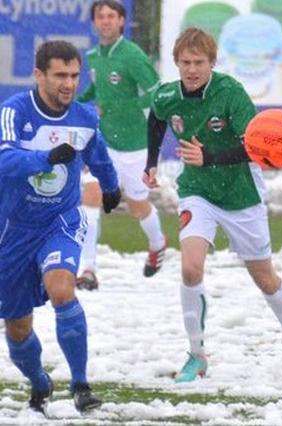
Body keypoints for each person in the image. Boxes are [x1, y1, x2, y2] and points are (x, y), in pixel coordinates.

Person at [143, 27, 282, 385]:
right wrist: (151, 162)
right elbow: (156, 118)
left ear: (212, 63)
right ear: (176, 62)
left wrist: (209, 156)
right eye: (186, 63)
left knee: (265, 279)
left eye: (200, 62)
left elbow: (254, 148)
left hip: (241, 196)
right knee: (191, 269)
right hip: (197, 191)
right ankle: (197, 355)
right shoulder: (166, 94)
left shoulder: (231, 93)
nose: (192, 70)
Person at [0, 40, 121, 415]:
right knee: (17, 327)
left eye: (74, 75)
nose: (68, 83)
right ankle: (39, 381)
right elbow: (3, 158)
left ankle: (80, 384)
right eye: (59, 76)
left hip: (62, 220)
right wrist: (45, 158)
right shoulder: (14, 112)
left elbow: (97, 154)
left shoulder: (84, 118)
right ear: (39, 75)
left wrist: (111, 185)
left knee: (62, 289)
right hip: (13, 229)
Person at [76, 0, 167, 290]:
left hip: (135, 144)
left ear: (121, 21)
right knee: (90, 196)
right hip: (103, 142)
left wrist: (116, 107)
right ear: (93, 23)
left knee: (137, 204)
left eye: (111, 16)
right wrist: (73, 105)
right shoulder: (93, 55)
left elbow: (157, 93)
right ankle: (87, 269)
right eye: (100, 16)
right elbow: (96, 90)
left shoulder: (132, 55)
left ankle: (158, 242)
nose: (105, 21)